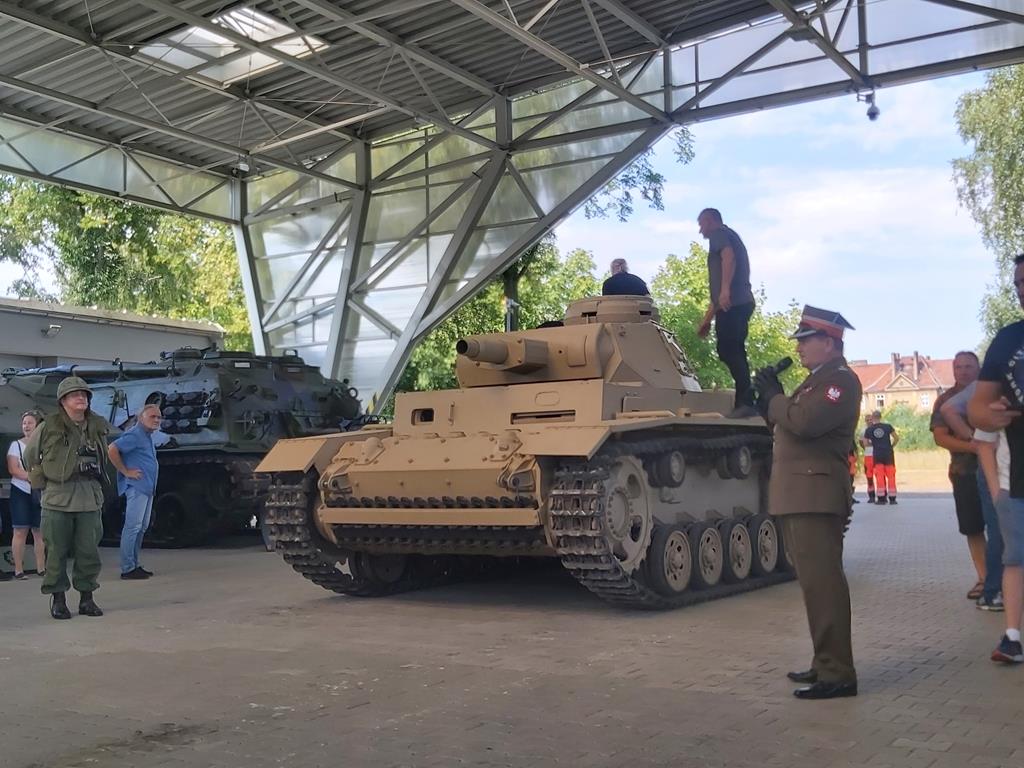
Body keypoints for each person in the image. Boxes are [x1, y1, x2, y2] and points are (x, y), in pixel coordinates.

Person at [753, 305, 861, 699]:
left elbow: (803, 422)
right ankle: (825, 662)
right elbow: (787, 422)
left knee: (824, 584)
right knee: (814, 585)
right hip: (801, 494)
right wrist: (769, 401)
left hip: (816, 495)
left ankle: (838, 674)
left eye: (805, 341)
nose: (799, 349)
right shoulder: (816, 381)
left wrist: (775, 398)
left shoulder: (840, 382)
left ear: (829, 343)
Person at [968, 252, 1024, 664]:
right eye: (1019, 283)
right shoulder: (1007, 340)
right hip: (1017, 480)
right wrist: (996, 490)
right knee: (1015, 559)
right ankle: (1011, 637)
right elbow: (977, 415)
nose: (1023, 290)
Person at [24, 376, 111, 620]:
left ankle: (87, 598)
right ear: (63, 401)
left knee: (88, 551)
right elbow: (30, 456)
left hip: (89, 496)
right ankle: (58, 599)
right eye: (75, 395)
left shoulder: (96, 425)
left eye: (84, 394)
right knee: (56, 551)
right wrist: (40, 482)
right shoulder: (49, 425)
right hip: (57, 497)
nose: (81, 397)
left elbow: (105, 456)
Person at [932, 352, 991, 603]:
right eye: (959, 367)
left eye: (969, 366)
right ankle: (984, 578)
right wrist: (976, 447)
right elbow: (940, 437)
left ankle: (1006, 577)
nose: (963, 371)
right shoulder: (946, 400)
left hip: (1001, 471)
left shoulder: (993, 394)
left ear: (978, 368)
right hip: (965, 471)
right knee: (973, 527)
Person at [697, 208, 755, 418]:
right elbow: (717, 297)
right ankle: (745, 399)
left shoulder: (719, 234)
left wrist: (725, 291)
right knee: (733, 349)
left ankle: (746, 400)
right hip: (738, 303)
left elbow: (728, 257)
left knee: (729, 348)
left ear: (711, 221)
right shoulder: (731, 235)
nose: (700, 230)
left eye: (702, 224)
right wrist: (707, 321)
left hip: (734, 303)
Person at [107, 404, 162, 580]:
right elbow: (112, 449)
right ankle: (127, 567)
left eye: (158, 417)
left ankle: (134, 564)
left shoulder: (146, 436)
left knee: (141, 527)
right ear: (141, 418)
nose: (156, 420)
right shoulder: (135, 434)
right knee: (133, 527)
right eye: (152, 417)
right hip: (137, 487)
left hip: (146, 487)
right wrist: (125, 471)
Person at [6, 410, 46, 580]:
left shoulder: (45, 445)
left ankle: (41, 568)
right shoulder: (15, 445)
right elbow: (13, 469)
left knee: (40, 531)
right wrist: (32, 477)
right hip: (21, 491)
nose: (26, 426)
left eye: (30, 422)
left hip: (40, 491)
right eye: (24, 423)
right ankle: (18, 569)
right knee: (20, 530)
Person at [864, 410, 899, 503]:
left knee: (879, 475)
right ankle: (892, 499)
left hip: (877, 454)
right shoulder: (887, 427)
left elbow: (865, 443)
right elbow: (896, 438)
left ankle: (881, 498)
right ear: (880, 417)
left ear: (872, 417)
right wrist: (891, 446)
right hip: (888, 454)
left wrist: (874, 444)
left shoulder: (869, 430)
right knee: (891, 475)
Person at [862, 413, 876, 503]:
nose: (869, 421)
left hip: (877, 454)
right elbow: (863, 443)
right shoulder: (863, 430)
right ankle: (871, 496)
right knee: (869, 476)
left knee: (880, 475)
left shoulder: (878, 429)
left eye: (870, 419)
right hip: (868, 455)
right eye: (867, 420)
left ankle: (882, 494)